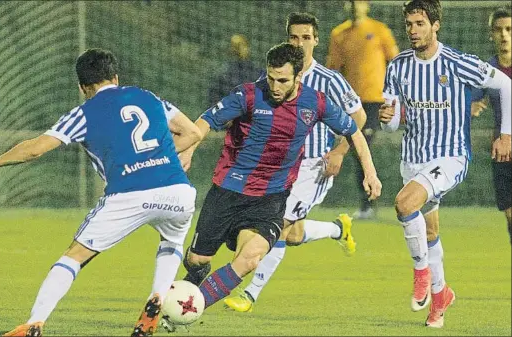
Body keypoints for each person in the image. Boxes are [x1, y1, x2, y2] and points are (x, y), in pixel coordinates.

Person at [0, 48, 203, 337]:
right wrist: (161, 157)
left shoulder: (84, 113)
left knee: (74, 256)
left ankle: (34, 323)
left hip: (129, 196)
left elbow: (35, 149)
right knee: (172, 241)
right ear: (115, 76)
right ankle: (157, 299)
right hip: (178, 192)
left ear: (82, 87)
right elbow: (192, 133)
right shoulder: (147, 96)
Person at [160, 42, 381, 331]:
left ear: (298, 77)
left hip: (271, 199)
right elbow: (206, 121)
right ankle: (192, 285)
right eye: (271, 78)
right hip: (228, 192)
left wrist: (370, 172)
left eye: (283, 81)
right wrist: (188, 148)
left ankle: (185, 309)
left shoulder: (315, 102)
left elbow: (354, 130)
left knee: (250, 258)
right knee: (197, 260)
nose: (275, 86)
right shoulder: (249, 95)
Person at [223, 12, 368, 313]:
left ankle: (249, 295)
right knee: (293, 234)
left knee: (279, 224)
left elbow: (359, 117)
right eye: (294, 37)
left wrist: (340, 151)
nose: (300, 44)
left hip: (314, 166)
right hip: (277, 166)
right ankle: (339, 230)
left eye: (306, 37)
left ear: (316, 40)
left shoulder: (330, 80)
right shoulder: (273, 77)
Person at [379, 0, 511, 328]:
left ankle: (421, 274)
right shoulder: (396, 67)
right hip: (413, 158)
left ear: (435, 25)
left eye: (420, 23)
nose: (413, 30)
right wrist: (387, 119)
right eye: (409, 24)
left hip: (450, 156)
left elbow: (506, 85)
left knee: (404, 203)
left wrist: (506, 134)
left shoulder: (457, 63)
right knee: (431, 230)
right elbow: (392, 123)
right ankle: (440, 299)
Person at [327, 0, 399, 219]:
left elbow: (395, 62)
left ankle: (371, 201)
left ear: (366, 5)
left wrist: (395, 95)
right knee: (359, 149)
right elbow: (333, 69)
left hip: (376, 100)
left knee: (363, 144)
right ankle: (368, 201)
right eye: (350, 2)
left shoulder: (379, 30)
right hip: (352, 102)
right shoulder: (339, 34)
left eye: (358, 2)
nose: (354, 6)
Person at [471, 7, 511, 244]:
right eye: (499, 30)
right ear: (491, 34)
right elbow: (471, 101)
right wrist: (472, 107)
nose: (504, 35)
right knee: (509, 215)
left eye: (509, 29)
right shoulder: (487, 71)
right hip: (504, 153)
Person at [208, 34, 262, 106]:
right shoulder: (223, 75)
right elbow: (214, 100)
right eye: (235, 46)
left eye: (241, 45)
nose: (238, 49)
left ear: (247, 48)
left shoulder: (257, 73)